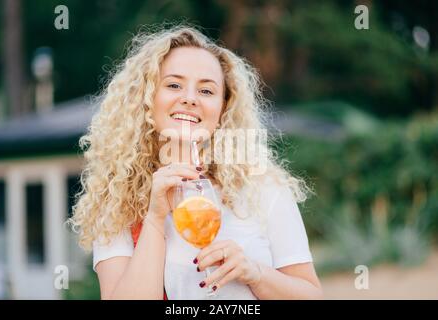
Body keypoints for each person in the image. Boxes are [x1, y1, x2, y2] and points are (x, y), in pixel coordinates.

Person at [69, 25, 323, 300]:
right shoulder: (117, 200)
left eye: (206, 90)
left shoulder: (262, 186)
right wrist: (154, 219)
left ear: (224, 107)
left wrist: (255, 273)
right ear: (146, 97)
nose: (189, 99)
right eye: (174, 85)